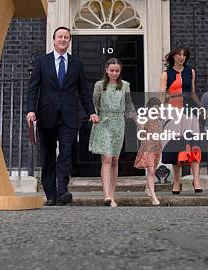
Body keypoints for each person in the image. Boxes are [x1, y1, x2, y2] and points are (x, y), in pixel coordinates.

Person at [26, 26, 99, 206]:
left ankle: (62, 191)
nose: (63, 39)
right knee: (48, 155)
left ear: (69, 41)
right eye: (60, 37)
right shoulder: (42, 61)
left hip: (69, 116)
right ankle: (50, 195)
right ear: (54, 39)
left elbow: (83, 91)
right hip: (46, 114)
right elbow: (33, 88)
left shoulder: (76, 63)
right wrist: (31, 110)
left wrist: (91, 111)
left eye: (66, 37)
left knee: (66, 153)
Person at [89, 58, 137, 207]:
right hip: (103, 122)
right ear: (106, 70)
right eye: (112, 70)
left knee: (115, 160)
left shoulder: (125, 86)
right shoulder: (99, 85)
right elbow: (94, 103)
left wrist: (138, 122)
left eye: (117, 71)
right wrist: (93, 114)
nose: (114, 73)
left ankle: (113, 195)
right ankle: (106, 195)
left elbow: (129, 106)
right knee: (107, 158)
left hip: (118, 123)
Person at [159, 46, 203, 194]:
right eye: (179, 54)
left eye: (184, 55)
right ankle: (176, 181)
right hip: (173, 112)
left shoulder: (191, 71)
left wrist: (201, 108)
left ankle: (196, 179)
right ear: (173, 56)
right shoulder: (166, 74)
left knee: (193, 144)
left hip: (190, 111)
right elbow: (161, 96)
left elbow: (192, 92)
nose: (181, 57)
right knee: (175, 146)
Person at [134, 97, 163, 206]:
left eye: (158, 109)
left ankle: (148, 187)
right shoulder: (145, 119)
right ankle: (153, 196)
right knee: (151, 171)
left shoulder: (160, 120)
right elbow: (141, 132)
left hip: (157, 147)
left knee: (153, 170)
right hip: (148, 148)